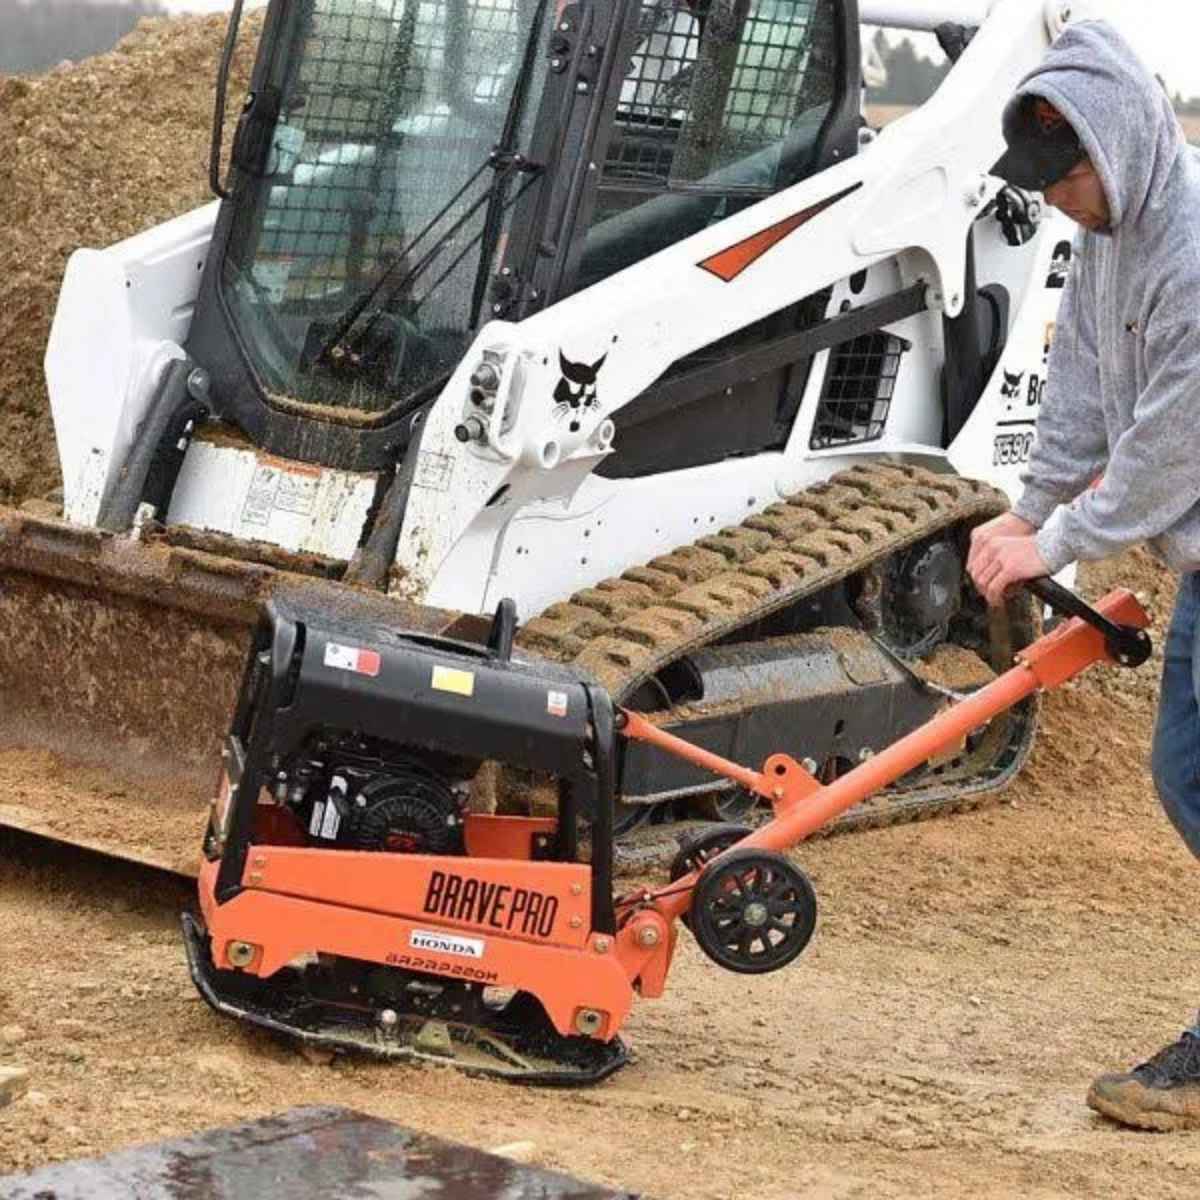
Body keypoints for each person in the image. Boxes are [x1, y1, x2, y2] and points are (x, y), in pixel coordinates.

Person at [969, 20, 1200, 1131]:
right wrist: (1025, 508)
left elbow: (1167, 442)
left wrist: (1059, 543)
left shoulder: (1194, 245)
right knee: (1183, 775)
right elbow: (1081, 390)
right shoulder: (1110, 238)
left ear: (1116, 146)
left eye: (1068, 177)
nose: (1058, 199)